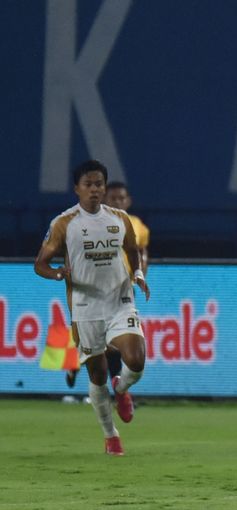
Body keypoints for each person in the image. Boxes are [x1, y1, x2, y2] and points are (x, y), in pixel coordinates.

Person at [34, 160, 150, 456]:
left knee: (136, 359)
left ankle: (121, 389)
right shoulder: (64, 223)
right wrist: (58, 273)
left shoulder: (119, 219)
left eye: (99, 184)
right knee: (97, 375)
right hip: (85, 307)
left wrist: (138, 275)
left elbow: (132, 250)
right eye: (88, 184)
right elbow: (40, 264)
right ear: (77, 188)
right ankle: (111, 436)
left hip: (119, 299)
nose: (95, 189)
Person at [102, 181, 150, 383]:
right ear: (104, 199)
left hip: (124, 288)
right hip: (98, 289)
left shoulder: (136, 224)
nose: (117, 202)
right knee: (102, 341)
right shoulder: (95, 223)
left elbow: (142, 251)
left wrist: (140, 274)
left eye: (121, 198)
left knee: (117, 340)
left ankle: (117, 385)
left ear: (128, 201)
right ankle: (112, 385)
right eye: (113, 198)